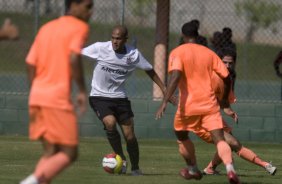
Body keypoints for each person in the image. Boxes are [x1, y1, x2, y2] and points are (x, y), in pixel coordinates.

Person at [82, 25, 176, 176]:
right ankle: (121, 159)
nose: (114, 41)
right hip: (99, 97)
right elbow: (76, 52)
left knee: (130, 136)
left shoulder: (133, 54)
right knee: (110, 123)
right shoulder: (100, 48)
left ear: (125, 39)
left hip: (120, 98)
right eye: (113, 37)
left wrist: (165, 90)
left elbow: (149, 70)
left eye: (118, 38)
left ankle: (136, 168)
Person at [155, 22, 240, 184]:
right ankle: (230, 169)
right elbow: (226, 77)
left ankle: (193, 168)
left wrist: (164, 101)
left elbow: (176, 76)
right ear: (197, 34)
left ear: (183, 35)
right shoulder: (209, 53)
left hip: (188, 106)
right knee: (220, 139)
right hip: (209, 104)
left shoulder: (177, 52)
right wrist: (224, 103)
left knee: (182, 137)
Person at [20, 0, 93, 184]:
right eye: (87, 6)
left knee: (50, 153)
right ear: (73, 5)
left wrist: (35, 91)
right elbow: (74, 57)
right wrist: (83, 91)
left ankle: (36, 180)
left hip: (37, 96)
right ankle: (31, 181)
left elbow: (30, 63)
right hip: (57, 99)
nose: (90, 12)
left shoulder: (47, 27)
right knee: (70, 152)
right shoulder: (79, 27)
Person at [188, 48, 277, 176]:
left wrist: (229, 111)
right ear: (218, 61)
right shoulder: (209, 74)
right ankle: (266, 165)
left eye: (230, 63)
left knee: (229, 143)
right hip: (201, 119)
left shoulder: (227, 79)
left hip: (212, 116)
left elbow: (223, 102)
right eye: (224, 62)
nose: (227, 66)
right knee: (234, 143)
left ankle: (210, 169)